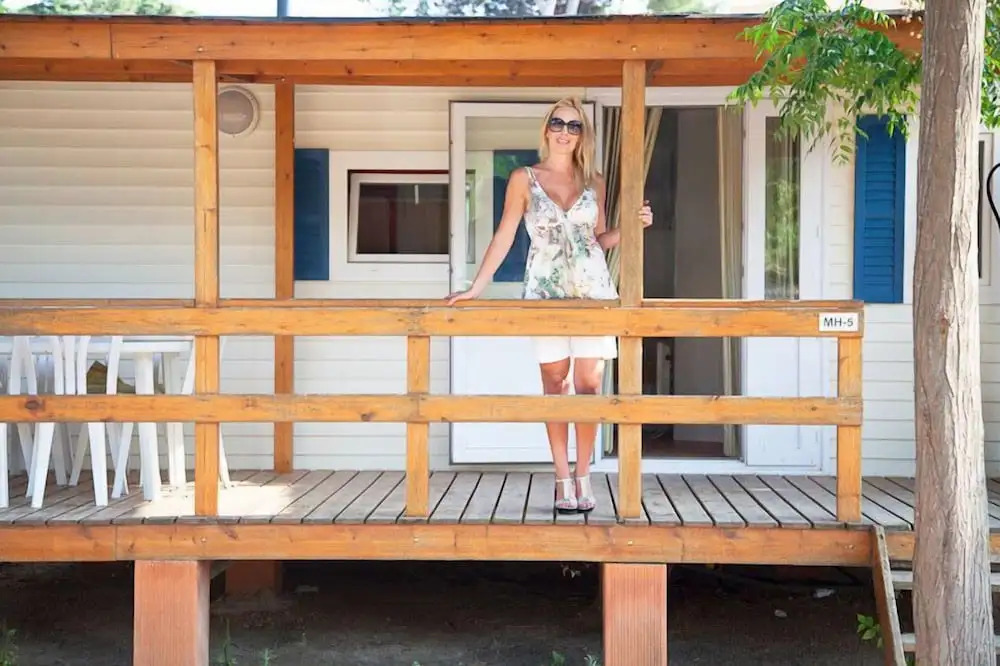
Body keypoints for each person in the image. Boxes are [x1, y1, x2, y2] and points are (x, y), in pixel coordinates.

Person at [446, 97, 653, 514]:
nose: (564, 131)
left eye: (574, 126)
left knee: (590, 386)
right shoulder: (524, 178)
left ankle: (583, 475)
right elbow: (505, 234)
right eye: (558, 123)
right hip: (545, 294)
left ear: (582, 135)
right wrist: (475, 288)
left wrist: (631, 227)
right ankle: (561, 479)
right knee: (556, 386)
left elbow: (595, 241)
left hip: (594, 294)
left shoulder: (594, 182)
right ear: (546, 129)